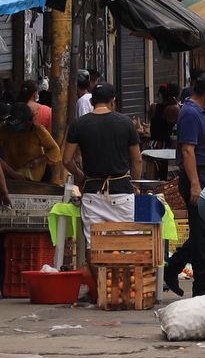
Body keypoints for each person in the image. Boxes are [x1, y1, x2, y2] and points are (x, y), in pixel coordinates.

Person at [61, 83, 141, 287]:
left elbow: (67, 160)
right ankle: (125, 288)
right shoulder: (125, 123)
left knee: (94, 244)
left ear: (91, 101)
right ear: (113, 101)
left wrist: (81, 177)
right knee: (128, 242)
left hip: (92, 193)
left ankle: (102, 290)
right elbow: (137, 160)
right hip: (121, 191)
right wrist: (135, 183)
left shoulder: (79, 124)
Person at [165, 74, 205, 298]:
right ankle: (202, 288)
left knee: (203, 232)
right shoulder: (190, 113)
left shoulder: (201, 112)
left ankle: (173, 267)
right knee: (203, 235)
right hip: (198, 176)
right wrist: (196, 185)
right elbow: (188, 151)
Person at [0, 103, 62, 184]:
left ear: (29, 122)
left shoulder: (38, 130)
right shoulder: (4, 128)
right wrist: (12, 173)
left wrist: (38, 161)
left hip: (33, 177)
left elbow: (55, 149)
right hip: (9, 176)